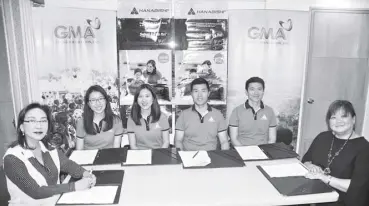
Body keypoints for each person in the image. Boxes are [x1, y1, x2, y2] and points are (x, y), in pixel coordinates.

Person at [3, 103, 96, 205]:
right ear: (22, 127)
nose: (39, 126)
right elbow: (36, 191)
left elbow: (68, 164)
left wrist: (86, 174)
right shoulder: (12, 158)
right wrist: (74, 186)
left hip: (56, 202)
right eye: (32, 120)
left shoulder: (49, 148)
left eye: (43, 120)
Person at [302, 100, 369, 206]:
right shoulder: (322, 137)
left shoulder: (364, 148)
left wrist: (325, 178)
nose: (338, 121)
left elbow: (358, 187)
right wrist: (311, 166)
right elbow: (305, 160)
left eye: (344, 116)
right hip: (315, 198)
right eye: (333, 117)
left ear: (353, 119)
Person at [175, 78, 229, 151]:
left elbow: (224, 142)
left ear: (208, 93)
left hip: (212, 157)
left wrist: (224, 160)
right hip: (189, 158)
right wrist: (182, 157)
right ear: (191, 94)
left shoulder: (218, 114)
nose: (199, 95)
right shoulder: (183, 115)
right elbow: (178, 141)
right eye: (196, 91)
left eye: (203, 91)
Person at [229, 77, 277, 146]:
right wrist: (245, 153)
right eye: (252, 89)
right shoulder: (236, 111)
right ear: (246, 92)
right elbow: (234, 139)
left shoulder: (270, 111)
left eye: (259, 89)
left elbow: (272, 138)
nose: (256, 93)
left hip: (264, 151)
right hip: (242, 150)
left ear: (263, 91)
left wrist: (266, 152)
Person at [76, 85, 124, 150]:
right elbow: (79, 151)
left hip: (109, 158)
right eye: (93, 100)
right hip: (88, 158)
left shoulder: (116, 121)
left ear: (106, 101)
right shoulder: (81, 122)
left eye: (101, 98)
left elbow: (116, 150)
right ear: (88, 104)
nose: (98, 103)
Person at [127, 84, 170, 149]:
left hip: (159, 154)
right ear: (136, 100)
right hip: (140, 154)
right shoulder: (132, 118)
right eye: (140, 96)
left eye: (147, 96)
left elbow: (166, 142)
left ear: (153, 98)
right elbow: (133, 145)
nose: (144, 100)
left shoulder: (162, 117)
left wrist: (159, 156)